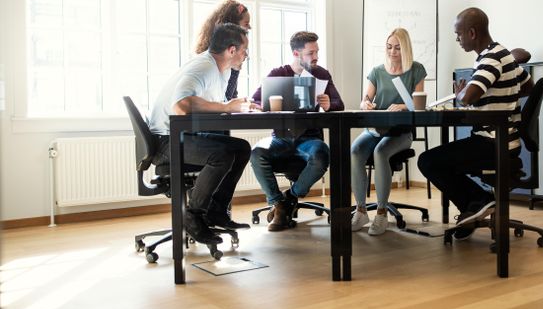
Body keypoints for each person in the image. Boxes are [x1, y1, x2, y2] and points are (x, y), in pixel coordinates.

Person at [417, 7, 533, 240]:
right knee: (443, 158)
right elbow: (528, 86)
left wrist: (460, 94)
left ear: (472, 33)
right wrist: (503, 96)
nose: (457, 39)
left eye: (458, 34)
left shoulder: (491, 59)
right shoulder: (503, 55)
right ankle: (473, 209)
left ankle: (478, 201)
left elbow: (469, 97)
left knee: (428, 161)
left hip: (493, 143)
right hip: (504, 141)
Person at [148, 23, 258, 245]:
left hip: (178, 137)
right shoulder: (204, 67)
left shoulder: (217, 70)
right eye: (245, 49)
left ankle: (216, 211)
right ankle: (194, 215)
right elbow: (180, 105)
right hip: (166, 143)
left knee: (240, 148)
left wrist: (229, 105)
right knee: (221, 154)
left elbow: (206, 105)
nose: (247, 55)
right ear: (232, 50)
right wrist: (227, 107)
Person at [250, 31, 344, 231]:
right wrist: (260, 105)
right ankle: (278, 203)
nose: (316, 56)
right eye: (311, 53)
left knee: (321, 154)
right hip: (281, 137)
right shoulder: (278, 74)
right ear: (296, 53)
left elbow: (339, 103)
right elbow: (255, 99)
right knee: (257, 153)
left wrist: (329, 104)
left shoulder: (322, 74)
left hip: (309, 138)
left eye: (317, 51)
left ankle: (289, 198)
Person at [351, 27, 427, 236]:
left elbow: (420, 102)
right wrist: (365, 103)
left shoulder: (416, 70)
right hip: (376, 129)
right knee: (355, 151)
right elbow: (365, 98)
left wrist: (403, 106)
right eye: (389, 47)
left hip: (400, 133)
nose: (393, 52)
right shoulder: (377, 71)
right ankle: (361, 210)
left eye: (397, 48)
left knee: (380, 153)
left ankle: (382, 213)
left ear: (406, 49)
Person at [194, 0, 252, 100]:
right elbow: (227, 98)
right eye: (246, 23)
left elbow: (229, 97)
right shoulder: (214, 62)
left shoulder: (223, 58)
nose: (249, 27)